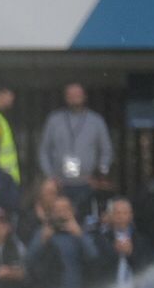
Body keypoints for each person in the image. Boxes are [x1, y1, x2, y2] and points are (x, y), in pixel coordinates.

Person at [38, 84, 114, 213]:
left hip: (88, 184)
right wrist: (50, 176)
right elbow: (43, 151)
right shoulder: (54, 120)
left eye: (77, 94)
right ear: (65, 98)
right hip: (60, 185)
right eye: (70, 95)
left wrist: (100, 175)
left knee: (86, 219)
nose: (74, 98)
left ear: (84, 96)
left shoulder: (96, 121)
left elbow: (106, 151)